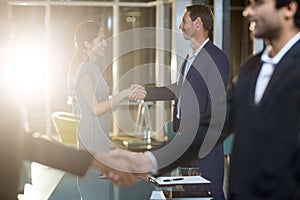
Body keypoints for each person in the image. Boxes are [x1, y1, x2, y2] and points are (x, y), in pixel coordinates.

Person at [136, 4, 229, 200]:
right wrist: (148, 92)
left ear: (197, 24)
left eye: (184, 21)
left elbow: (216, 106)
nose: (180, 26)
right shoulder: (190, 58)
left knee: (211, 194)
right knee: (191, 194)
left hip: (204, 146)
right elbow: (180, 89)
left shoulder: (216, 57)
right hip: (187, 142)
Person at [220, 0, 300, 199]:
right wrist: (152, 161)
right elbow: (216, 123)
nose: (247, 12)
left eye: (258, 4)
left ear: (289, 8)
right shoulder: (249, 68)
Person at [68, 20, 145, 199]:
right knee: (94, 191)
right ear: (87, 44)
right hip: (91, 136)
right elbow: (95, 108)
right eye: (101, 39)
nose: (105, 43)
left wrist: (127, 95)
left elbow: (104, 105)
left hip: (99, 134)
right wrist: (125, 93)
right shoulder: (85, 70)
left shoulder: (93, 68)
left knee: (100, 192)